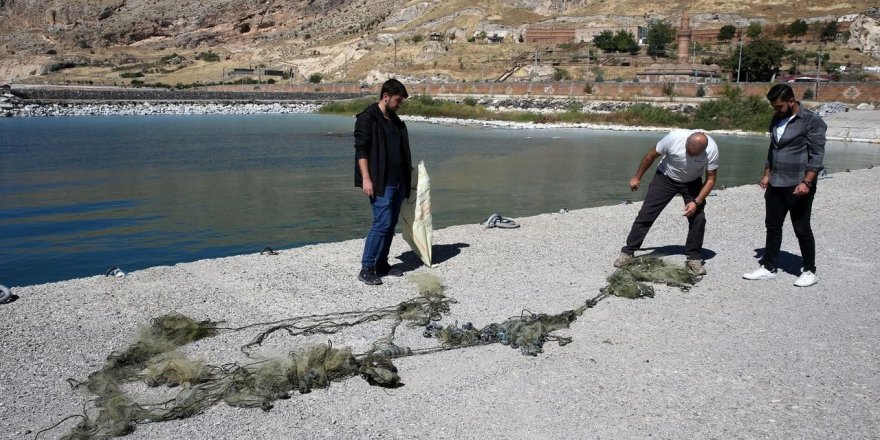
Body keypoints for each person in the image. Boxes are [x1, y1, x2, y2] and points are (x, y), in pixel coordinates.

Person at [743, 84, 825, 287]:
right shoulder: (777, 118)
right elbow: (774, 148)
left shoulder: (812, 121)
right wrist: (766, 174)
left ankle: (809, 270)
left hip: (798, 183)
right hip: (776, 182)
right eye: (773, 107)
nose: (776, 110)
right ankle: (769, 267)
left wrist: (807, 182)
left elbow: (817, 155)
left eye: (779, 106)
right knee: (772, 225)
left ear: (791, 101)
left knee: (801, 228)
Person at [614, 129, 719, 275]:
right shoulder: (673, 138)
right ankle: (628, 251)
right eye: (689, 152)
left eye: (695, 155)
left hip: (692, 182)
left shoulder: (712, 149)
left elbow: (711, 179)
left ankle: (693, 258)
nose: (691, 156)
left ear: (704, 149)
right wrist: (637, 177)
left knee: (699, 218)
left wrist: (697, 201)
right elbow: (650, 156)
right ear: (686, 142)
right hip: (665, 178)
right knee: (646, 214)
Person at [354, 78, 412, 285]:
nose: (399, 104)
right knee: (381, 223)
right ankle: (367, 267)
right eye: (398, 100)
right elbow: (361, 151)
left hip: (398, 182)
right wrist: (366, 179)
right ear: (386, 97)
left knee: (390, 224)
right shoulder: (367, 118)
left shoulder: (395, 121)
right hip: (380, 181)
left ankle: (382, 264)